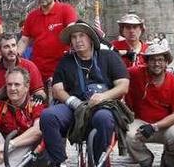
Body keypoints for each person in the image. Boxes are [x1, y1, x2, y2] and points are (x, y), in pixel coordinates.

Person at [40, 20, 130, 167]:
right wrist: (72, 101)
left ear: (90, 38)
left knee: (103, 118)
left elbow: (123, 86)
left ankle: (98, 162)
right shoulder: (66, 61)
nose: (77, 40)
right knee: (48, 116)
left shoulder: (109, 57)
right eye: (74, 37)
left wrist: (103, 96)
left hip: (103, 106)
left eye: (81, 35)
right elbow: (57, 89)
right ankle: (59, 161)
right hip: (74, 108)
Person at [125, 44, 174, 167]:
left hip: (167, 126)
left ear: (166, 63)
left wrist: (154, 126)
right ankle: (145, 160)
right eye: (152, 59)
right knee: (128, 134)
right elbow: (118, 74)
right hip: (141, 123)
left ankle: (169, 161)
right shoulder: (135, 73)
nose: (156, 63)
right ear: (146, 62)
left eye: (160, 60)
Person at [0, 67, 46, 167]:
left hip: (26, 148)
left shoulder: (35, 104)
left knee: (36, 135)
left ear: (26, 87)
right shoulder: (1, 106)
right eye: (9, 84)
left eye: (17, 84)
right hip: (0, 151)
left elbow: (38, 131)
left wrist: (8, 146)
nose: (12, 88)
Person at [18, 0, 78, 84]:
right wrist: (15, 54)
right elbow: (24, 40)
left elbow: (72, 31)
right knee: (39, 99)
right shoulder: (31, 16)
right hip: (38, 71)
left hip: (62, 69)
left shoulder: (66, 10)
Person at [0, 33, 46, 103]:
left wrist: (39, 97)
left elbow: (40, 92)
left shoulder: (29, 66)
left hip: (25, 107)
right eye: (6, 47)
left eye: (13, 45)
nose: (11, 50)